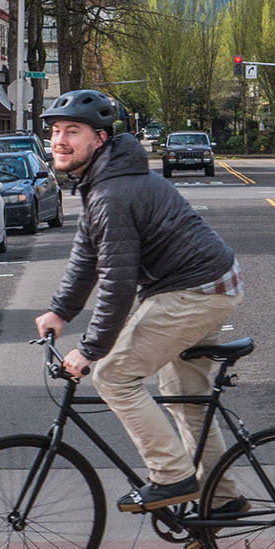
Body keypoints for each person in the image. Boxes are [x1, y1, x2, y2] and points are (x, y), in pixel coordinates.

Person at [33, 89, 246, 516]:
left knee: (113, 375)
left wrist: (91, 350)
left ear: (101, 139)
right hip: (207, 284)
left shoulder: (113, 194)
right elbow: (86, 258)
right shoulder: (102, 184)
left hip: (194, 290)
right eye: (56, 131)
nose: (60, 140)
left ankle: (171, 477)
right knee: (184, 394)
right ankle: (223, 499)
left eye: (72, 131)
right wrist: (60, 310)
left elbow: (117, 282)